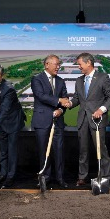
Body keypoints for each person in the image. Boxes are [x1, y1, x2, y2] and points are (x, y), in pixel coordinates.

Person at [65, 53, 110, 187]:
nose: (78, 66)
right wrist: (70, 104)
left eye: (80, 64)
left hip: (97, 120)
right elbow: (77, 98)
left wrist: (101, 110)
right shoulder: (79, 80)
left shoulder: (103, 78)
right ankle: (82, 177)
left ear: (88, 63)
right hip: (82, 120)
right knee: (83, 150)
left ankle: (105, 177)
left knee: (101, 149)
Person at [30, 55, 69, 188]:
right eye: (56, 64)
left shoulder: (61, 81)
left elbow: (65, 99)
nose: (58, 67)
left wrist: (61, 110)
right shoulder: (36, 79)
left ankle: (60, 178)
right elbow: (40, 96)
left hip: (58, 121)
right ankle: (45, 178)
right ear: (47, 64)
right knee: (43, 151)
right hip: (42, 121)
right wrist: (58, 101)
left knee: (59, 150)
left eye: (59, 64)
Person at [0, 63, 26, 188]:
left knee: (11, 150)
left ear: (2, 76)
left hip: (13, 121)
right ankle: (2, 174)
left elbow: (5, 110)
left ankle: (10, 177)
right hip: (2, 122)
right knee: (3, 150)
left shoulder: (9, 89)